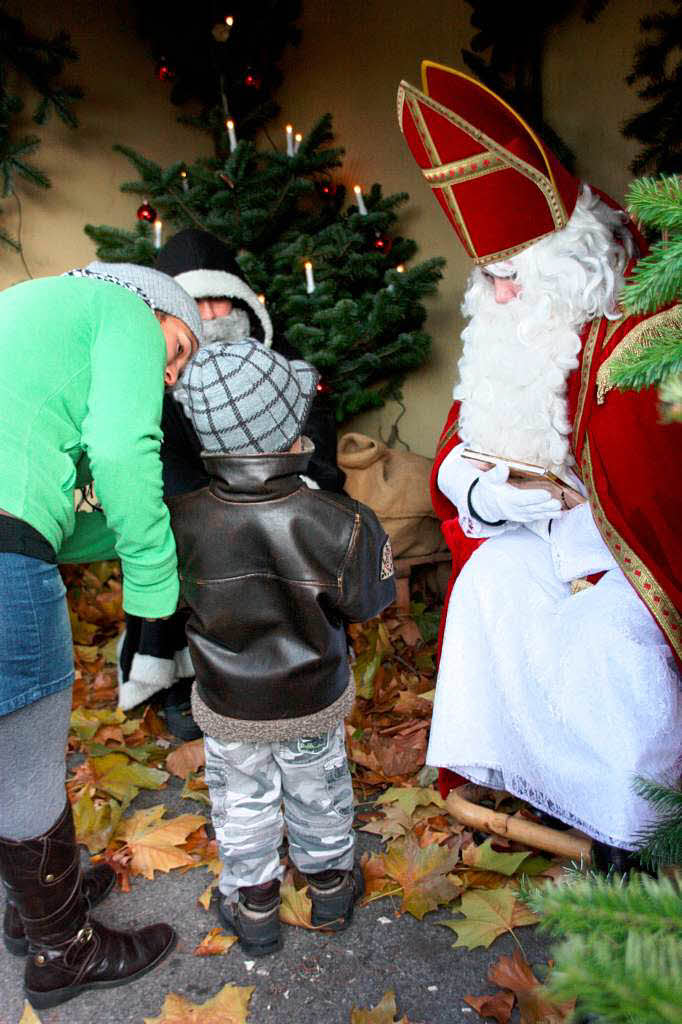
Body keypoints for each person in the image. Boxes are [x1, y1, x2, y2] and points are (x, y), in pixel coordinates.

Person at [397, 63, 682, 868]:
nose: (499, 292)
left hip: (629, 559)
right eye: (488, 276)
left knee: (610, 643)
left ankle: (637, 839)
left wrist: (583, 508)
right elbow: (461, 444)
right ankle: (534, 775)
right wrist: (488, 488)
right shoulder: (505, 324)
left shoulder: (639, 314)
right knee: (493, 587)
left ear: (570, 257)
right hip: (544, 538)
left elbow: (653, 476)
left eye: (513, 274)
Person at [0, 260, 203, 1009]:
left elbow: (75, 509)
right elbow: (122, 452)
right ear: (156, 308)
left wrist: (126, 531)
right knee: (24, 762)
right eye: (177, 350)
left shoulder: (34, 311)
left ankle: (35, 902)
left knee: (5, 746)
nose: (170, 376)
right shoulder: (121, 310)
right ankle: (63, 951)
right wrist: (155, 583)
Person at [166, 340, 396, 956]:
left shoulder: (180, 518)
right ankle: (328, 886)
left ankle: (255, 903)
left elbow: (166, 601)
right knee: (319, 787)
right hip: (311, 694)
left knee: (239, 797)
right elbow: (369, 602)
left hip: (228, 697)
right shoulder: (339, 520)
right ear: (289, 429)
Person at [118, 228, 345, 731]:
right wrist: (213, 504)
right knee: (185, 541)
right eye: (198, 304)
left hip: (278, 498)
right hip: (199, 508)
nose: (214, 316)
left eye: (221, 300)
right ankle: (185, 678)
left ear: (241, 299)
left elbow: (315, 434)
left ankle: (300, 671)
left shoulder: (284, 363)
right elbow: (152, 458)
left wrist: (284, 491)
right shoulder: (153, 379)